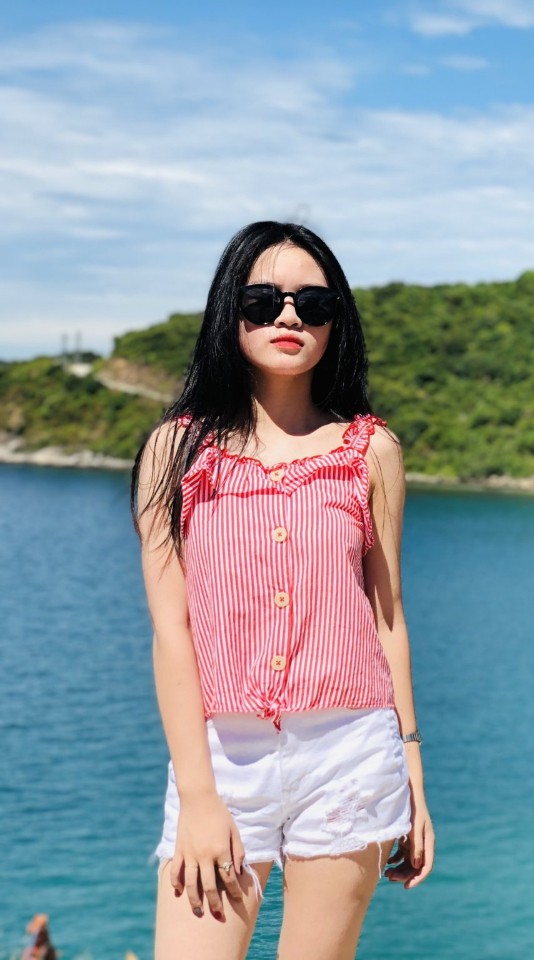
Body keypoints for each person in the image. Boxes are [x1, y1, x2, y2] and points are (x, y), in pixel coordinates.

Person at [131, 221, 434, 960]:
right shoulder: (177, 450)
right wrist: (199, 797)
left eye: (313, 302)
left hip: (352, 753)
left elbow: (387, 619)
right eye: (263, 300)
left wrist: (414, 780)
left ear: (337, 320)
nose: (289, 316)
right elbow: (172, 632)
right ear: (229, 312)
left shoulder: (372, 451)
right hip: (221, 758)